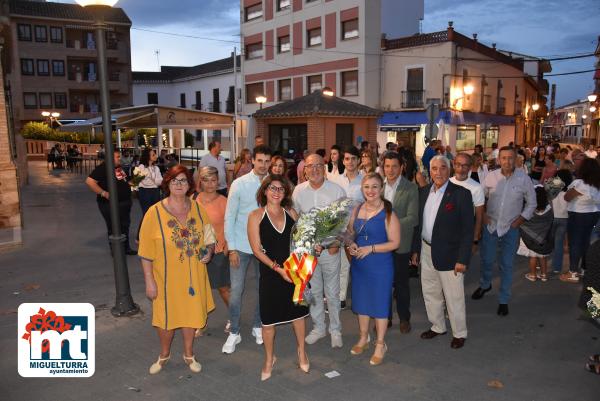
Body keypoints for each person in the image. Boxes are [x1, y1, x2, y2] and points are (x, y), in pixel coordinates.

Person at [138, 165, 216, 374]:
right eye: (175, 180)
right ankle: (164, 354)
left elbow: (209, 237)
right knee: (165, 319)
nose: (179, 184)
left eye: (183, 180)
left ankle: (189, 354)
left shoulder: (198, 209)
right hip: (165, 278)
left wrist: (209, 251)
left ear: (190, 185)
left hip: (193, 277)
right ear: (167, 184)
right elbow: (145, 252)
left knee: (190, 315)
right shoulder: (154, 213)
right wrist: (149, 281)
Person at [248, 174, 309, 381]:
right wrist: (278, 269)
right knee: (268, 321)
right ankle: (269, 359)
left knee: (298, 315)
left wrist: (312, 247)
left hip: (293, 272)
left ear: (285, 193)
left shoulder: (291, 212)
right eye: (272, 188)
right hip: (272, 273)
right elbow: (257, 250)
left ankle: (302, 351)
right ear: (264, 191)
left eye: (280, 189)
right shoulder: (256, 216)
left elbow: (302, 240)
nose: (276, 192)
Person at [413, 156, 474, 349]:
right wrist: (416, 250)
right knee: (430, 292)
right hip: (426, 250)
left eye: (442, 168)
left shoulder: (461, 194)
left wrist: (463, 258)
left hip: (450, 254)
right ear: (429, 171)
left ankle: (459, 332)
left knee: (453, 296)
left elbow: (467, 230)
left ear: (449, 170)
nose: (438, 172)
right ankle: (438, 326)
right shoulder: (423, 192)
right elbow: (419, 225)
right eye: (434, 169)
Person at [473, 146, 536, 316]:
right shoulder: (491, 177)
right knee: (486, 260)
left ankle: (503, 299)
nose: (507, 161)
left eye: (510, 158)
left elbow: (532, 204)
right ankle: (485, 284)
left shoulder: (524, 179)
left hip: (511, 229)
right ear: (498, 160)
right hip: (491, 227)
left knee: (507, 265)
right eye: (504, 158)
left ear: (516, 159)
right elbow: (480, 197)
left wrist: (520, 220)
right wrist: (484, 215)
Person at [292, 154, 346, 348]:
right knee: (314, 291)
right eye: (310, 166)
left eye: (318, 166)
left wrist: (335, 244)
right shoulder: (298, 191)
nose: (314, 170)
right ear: (304, 169)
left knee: (332, 292)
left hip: (330, 250)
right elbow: (296, 218)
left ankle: (335, 330)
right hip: (308, 252)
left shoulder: (336, 190)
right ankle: (319, 328)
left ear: (324, 168)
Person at [222, 145, 272, 354]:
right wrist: (232, 248)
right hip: (241, 247)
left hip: (265, 248)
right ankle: (234, 331)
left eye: (267, 161)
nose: (263, 165)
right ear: (252, 160)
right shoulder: (239, 184)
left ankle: (257, 326)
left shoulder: (274, 184)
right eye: (259, 160)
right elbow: (229, 217)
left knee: (264, 290)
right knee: (236, 293)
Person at [347, 173, 400, 364]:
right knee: (361, 302)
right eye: (367, 187)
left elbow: (395, 243)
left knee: (379, 304)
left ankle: (380, 344)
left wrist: (371, 248)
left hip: (380, 265)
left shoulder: (388, 213)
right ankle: (363, 337)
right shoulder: (357, 209)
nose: (370, 191)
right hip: (360, 265)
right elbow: (351, 233)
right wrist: (350, 245)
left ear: (381, 189)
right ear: (362, 188)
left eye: (375, 187)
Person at [382, 152, 418, 333]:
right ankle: (385, 317)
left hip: (401, 245)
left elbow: (412, 218)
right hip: (380, 245)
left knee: (402, 284)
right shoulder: (378, 187)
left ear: (401, 167)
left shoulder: (410, 188)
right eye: (387, 166)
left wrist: (388, 224)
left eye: (394, 166)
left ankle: (404, 318)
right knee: (384, 283)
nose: (390, 170)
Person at [194, 166, 231, 333]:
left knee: (223, 288)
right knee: (200, 288)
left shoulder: (224, 201)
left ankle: (234, 316)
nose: (210, 184)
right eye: (206, 180)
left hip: (218, 251)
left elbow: (231, 225)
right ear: (200, 181)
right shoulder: (193, 199)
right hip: (198, 251)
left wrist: (228, 247)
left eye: (213, 180)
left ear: (218, 181)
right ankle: (201, 321)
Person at [85, 149, 136, 255]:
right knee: (114, 227)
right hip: (110, 204)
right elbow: (90, 182)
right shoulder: (103, 168)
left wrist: (135, 181)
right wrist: (104, 193)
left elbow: (123, 181)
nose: (120, 159)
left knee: (124, 225)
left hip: (124, 202)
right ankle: (116, 250)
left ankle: (126, 248)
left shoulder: (117, 167)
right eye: (117, 157)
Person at [331, 146, 364, 309]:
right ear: (343, 161)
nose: (350, 162)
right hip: (340, 228)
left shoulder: (365, 180)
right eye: (347, 159)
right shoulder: (337, 180)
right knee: (342, 263)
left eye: (353, 158)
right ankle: (341, 297)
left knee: (359, 263)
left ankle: (362, 297)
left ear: (359, 161)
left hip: (360, 228)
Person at [560, 158, 600, 283]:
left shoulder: (580, 183)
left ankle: (573, 272)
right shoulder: (597, 184)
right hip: (593, 214)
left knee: (575, 243)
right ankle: (584, 269)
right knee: (586, 243)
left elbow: (567, 197)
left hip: (578, 215)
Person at [518, 186, 554, 282]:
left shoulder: (528, 207)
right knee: (542, 256)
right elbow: (551, 221)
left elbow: (523, 221)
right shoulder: (549, 207)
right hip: (544, 237)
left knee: (533, 256)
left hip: (530, 237)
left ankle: (533, 275)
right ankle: (544, 275)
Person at [450, 153, 485, 245]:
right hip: (448, 233)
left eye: (465, 166)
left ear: (470, 167)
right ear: (453, 165)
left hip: (465, 234)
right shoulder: (447, 183)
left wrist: (475, 238)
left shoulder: (477, 187)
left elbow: (479, 215)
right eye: (458, 165)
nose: (461, 169)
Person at [550, 169, 572, 274]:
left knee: (546, 242)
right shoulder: (570, 190)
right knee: (559, 244)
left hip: (551, 217)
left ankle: (540, 264)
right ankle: (556, 268)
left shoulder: (551, 187)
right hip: (564, 218)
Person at [137, 148, 163, 220]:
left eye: (155, 154)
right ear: (148, 157)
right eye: (153, 155)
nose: (156, 156)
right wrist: (154, 180)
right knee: (147, 213)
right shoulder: (141, 167)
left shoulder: (156, 168)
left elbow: (160, 181)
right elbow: (138, 181)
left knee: (156, 213)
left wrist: (151, 179)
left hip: (155, 191)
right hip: (144, 192)